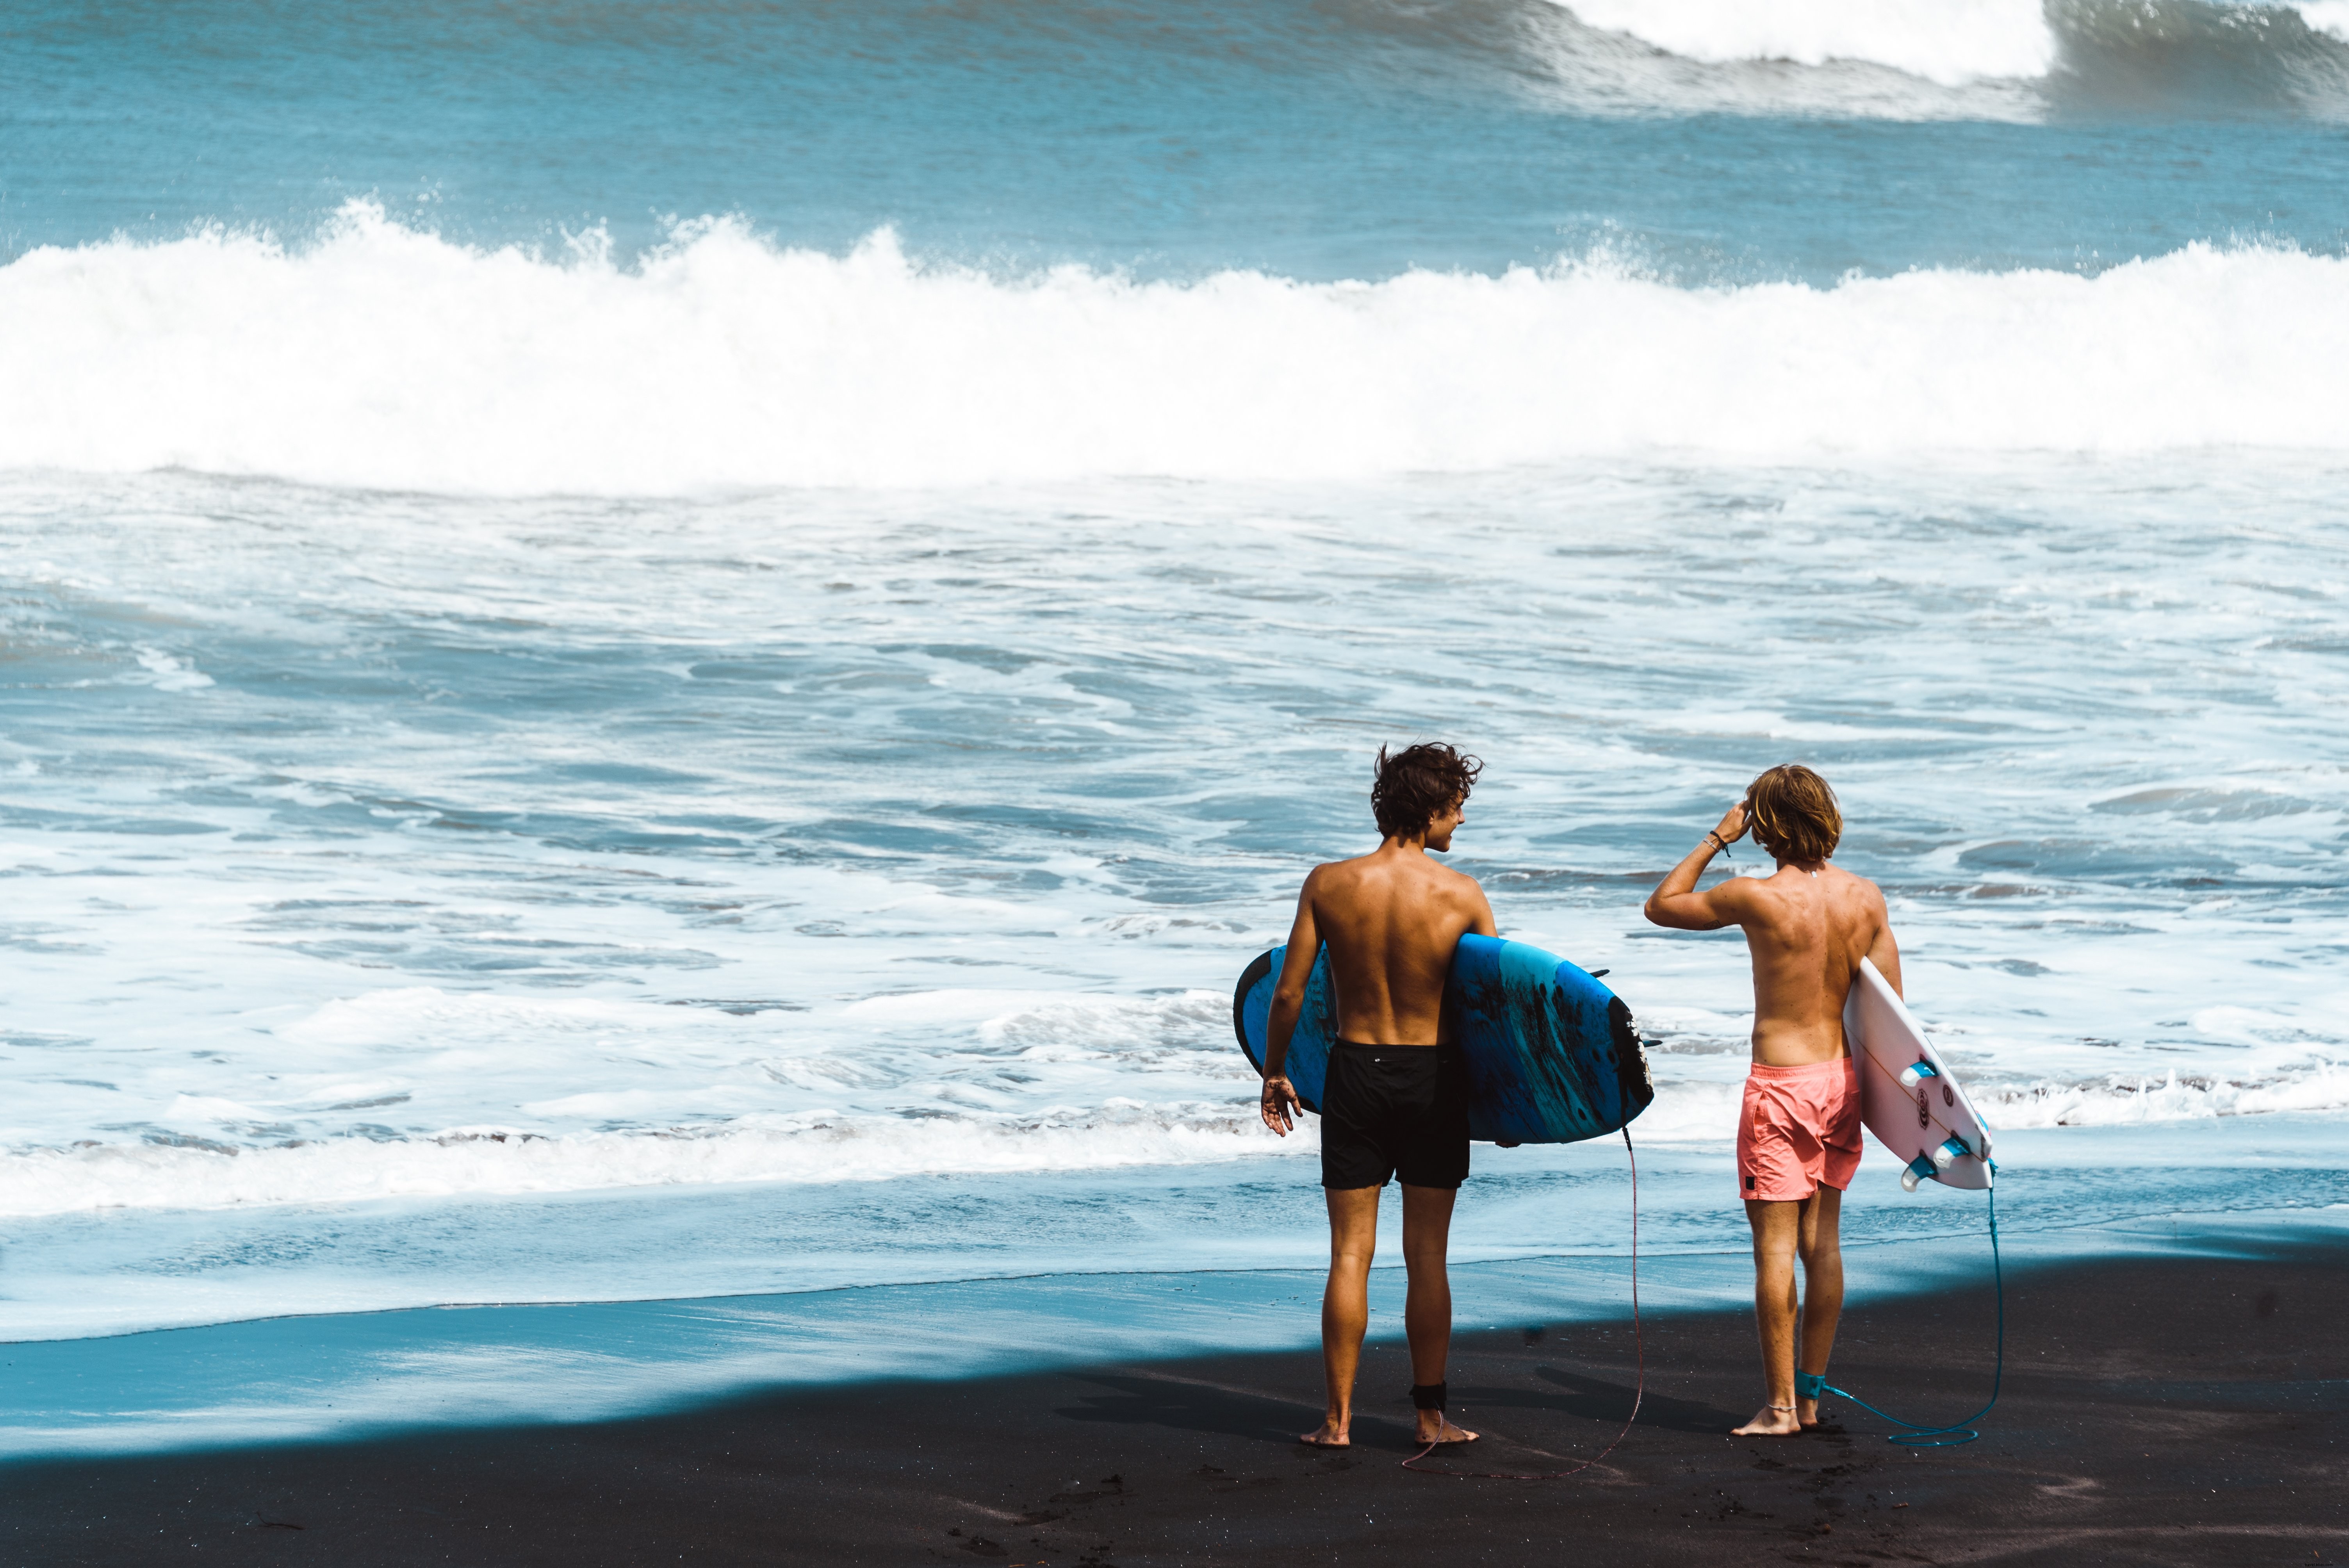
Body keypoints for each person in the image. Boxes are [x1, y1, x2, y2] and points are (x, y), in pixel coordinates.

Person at [1641, 763, 1902, 1438]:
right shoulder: (1867, 898)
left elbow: (1662, 904)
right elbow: (1893, 1016)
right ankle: (1809, 1401)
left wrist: (1715, 838)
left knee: (1774, 1254)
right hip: (1841, 1083)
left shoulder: (1754, 897)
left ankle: (1781, 1409)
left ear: (1764, 826)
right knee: (1825, 1247)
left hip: (1781, 1088)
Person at [1258, 742, 1497, 1450]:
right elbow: (1491, 1012)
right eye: (1456, 809)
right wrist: (1507, 1107)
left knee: (1349, 1255)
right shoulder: (1462, 895)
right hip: (1434, 1077)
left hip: (1355, 1071)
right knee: (1427, 1257)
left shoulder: (1329, 884)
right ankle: (1430, 1419)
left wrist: (1274, 1071)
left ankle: (1337, 1421)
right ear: (1430, 811)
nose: (1460, 823)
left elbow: (1291, 991)